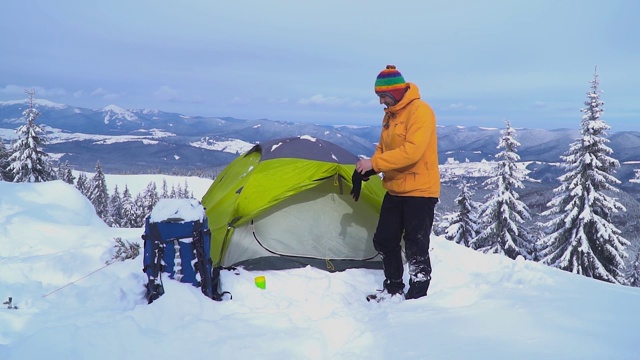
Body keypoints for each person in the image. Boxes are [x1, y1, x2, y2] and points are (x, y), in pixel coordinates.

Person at [354, 64, 440, 301]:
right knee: (385, 239)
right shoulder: (390, 115)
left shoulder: (420, 111)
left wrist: (376, 164)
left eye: (383, 96)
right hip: (395, 189)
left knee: (416, 245)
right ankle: (393, 288)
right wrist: (370, 167)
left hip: (420, 191)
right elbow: (383, 148)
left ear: (395, 91)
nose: (381, 102)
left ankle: (418, 297)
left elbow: (412, 152)